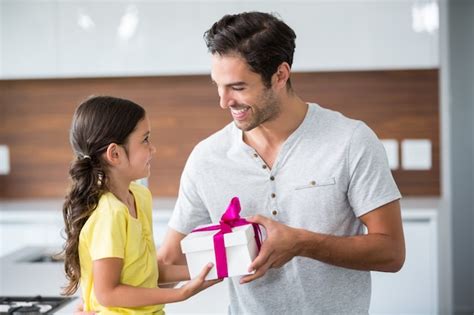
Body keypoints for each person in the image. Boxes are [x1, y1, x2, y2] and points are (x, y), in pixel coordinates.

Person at [157, 11, 406, 314]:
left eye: (238, 87)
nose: (224, 101)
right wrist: (102, 298)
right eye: (217, 86)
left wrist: (302, 243)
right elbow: (168, 261)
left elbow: (391, 252)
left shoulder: (351, 140)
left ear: (280, 75)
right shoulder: (206, 158)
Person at [62, 96, 220, 314]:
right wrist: (180, 294)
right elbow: (108, 293)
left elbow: (146, 271)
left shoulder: (139, 196)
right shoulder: (110, 214)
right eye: (145, 139)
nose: (152, 148)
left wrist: (210, 269)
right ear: (115, 154)